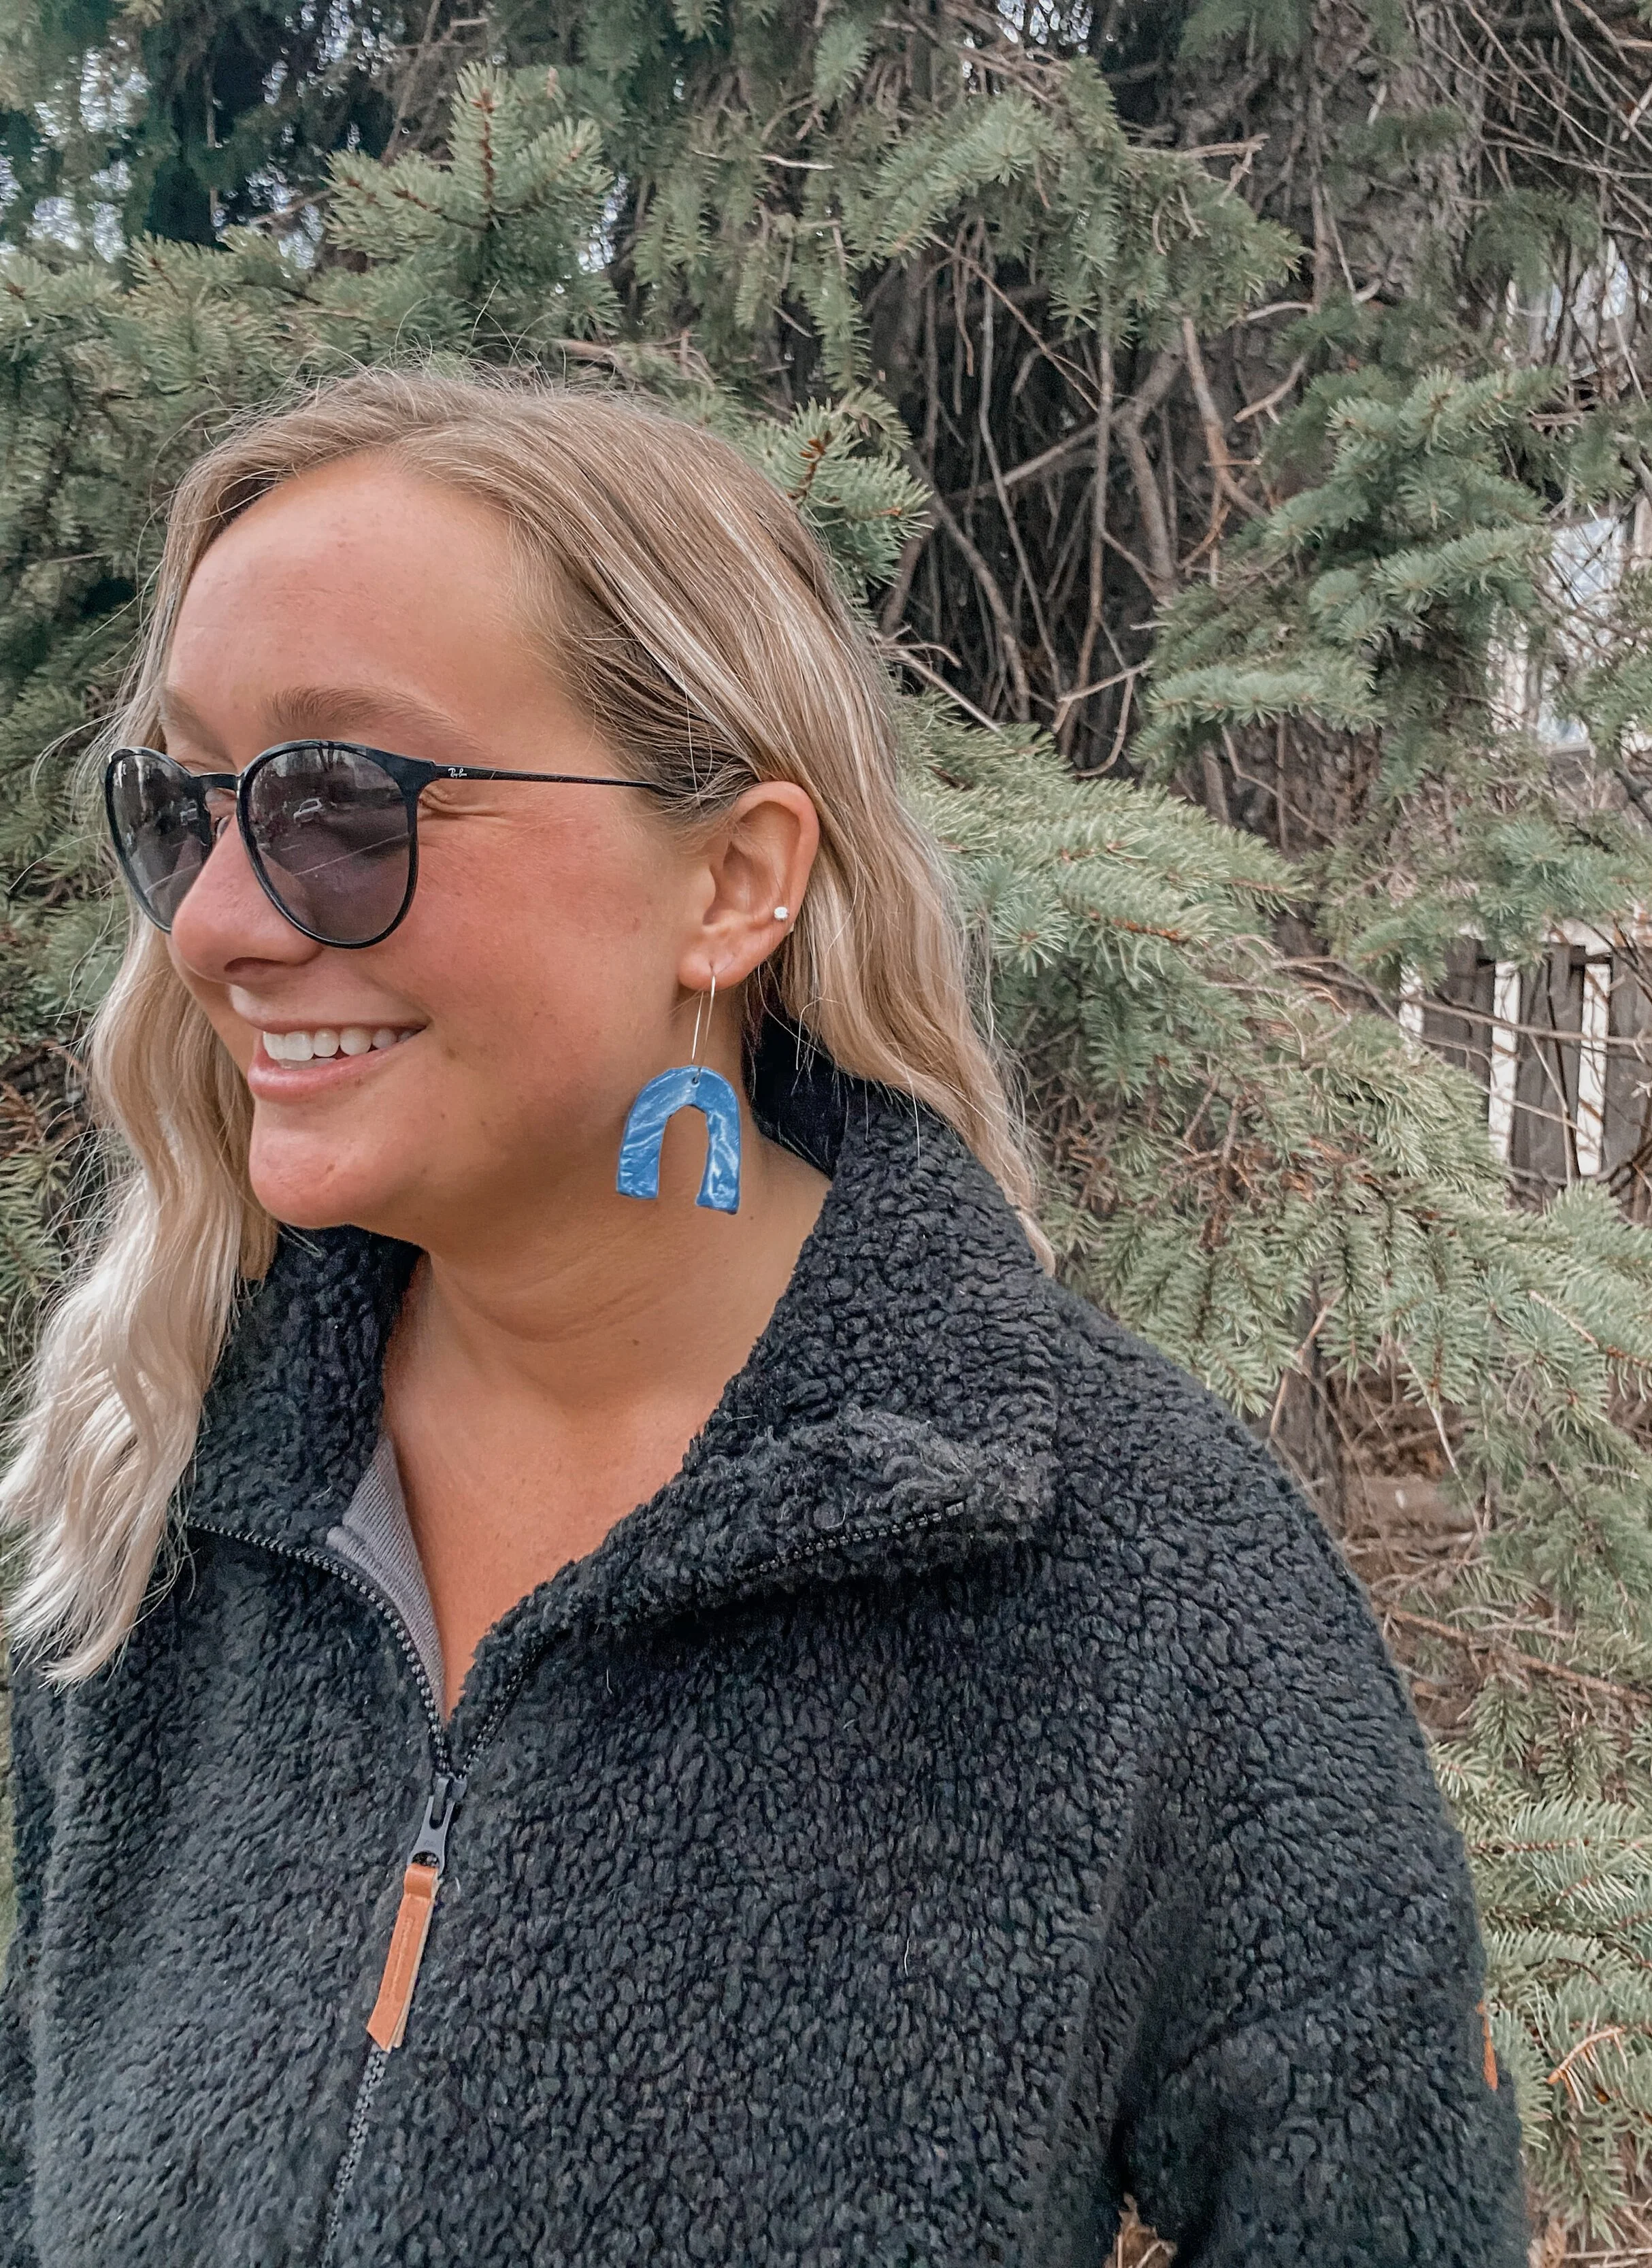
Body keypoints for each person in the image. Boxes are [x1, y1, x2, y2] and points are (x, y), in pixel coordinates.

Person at [0, 367, 1528, 2267]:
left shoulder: (1130, 1568)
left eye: (337, 802)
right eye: (187, 803)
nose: (219, 920)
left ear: (731, 880)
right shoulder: (166, 1488)